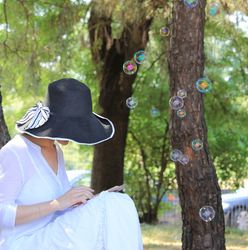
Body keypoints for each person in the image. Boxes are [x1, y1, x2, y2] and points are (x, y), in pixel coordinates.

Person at [0, 78, 143, 250]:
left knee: (117, 202)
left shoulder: (56, 150)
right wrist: (56, 204)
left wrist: (85, 202)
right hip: (24, 242)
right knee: (113, 204)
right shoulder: (15, 153)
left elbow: (61, 206)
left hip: (54, 234)